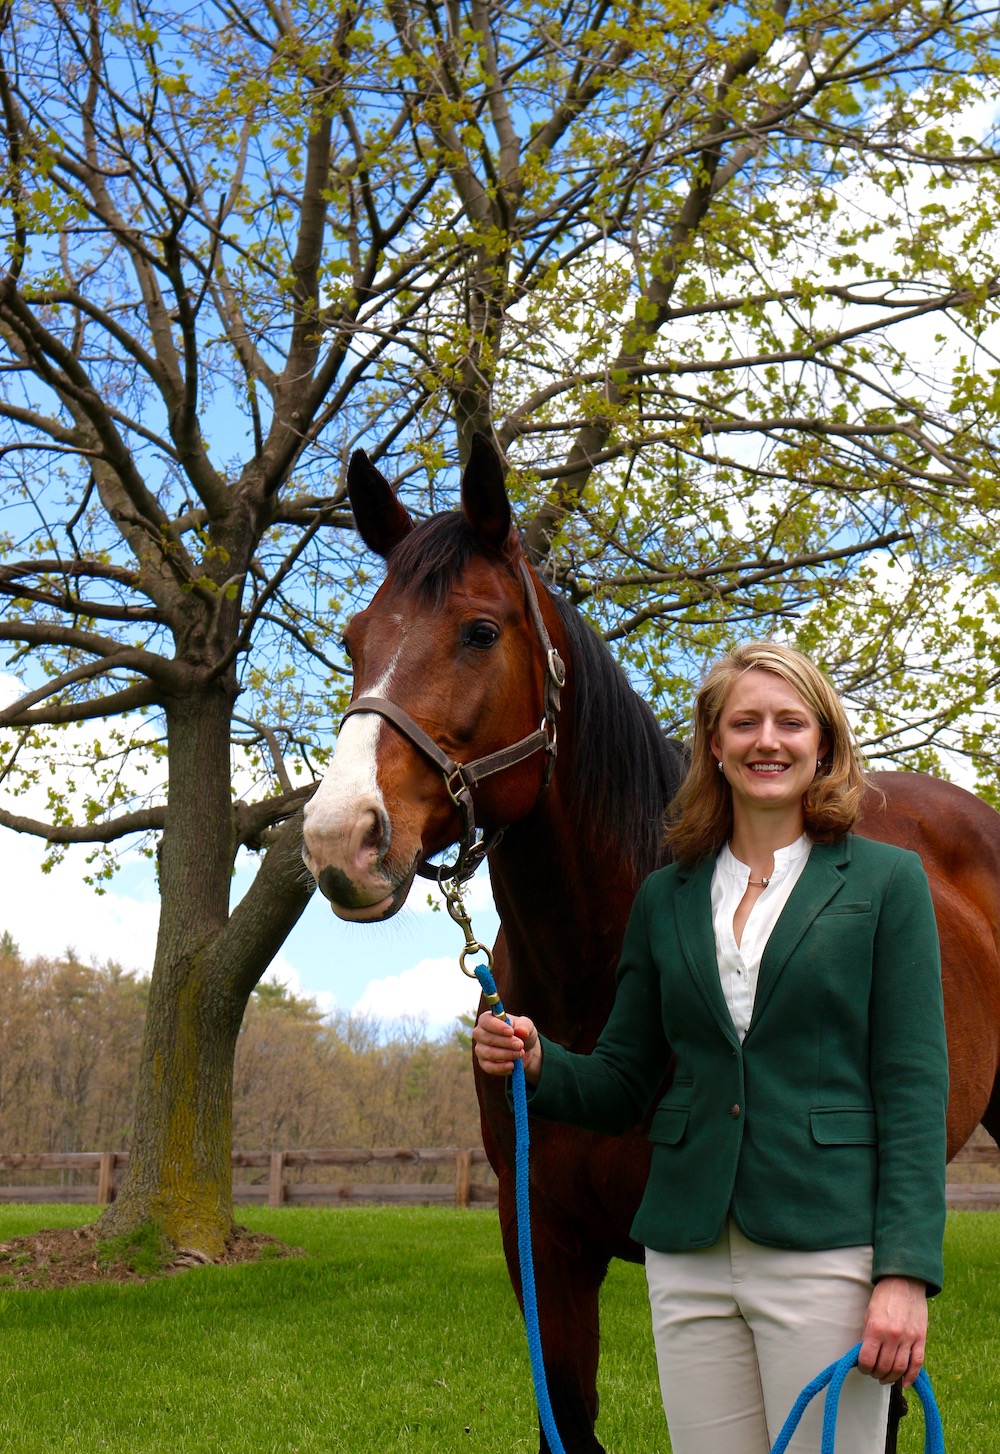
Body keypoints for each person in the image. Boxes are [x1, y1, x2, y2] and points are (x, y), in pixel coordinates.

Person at [473, 641, 948, 1454]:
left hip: (824, 1248)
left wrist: (903, 1272)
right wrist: (540, 1060)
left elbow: (911, 1090)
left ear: (823, 742)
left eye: (791, 722)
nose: (769, 740)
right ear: (715, 744)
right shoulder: (668, 895)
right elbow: (625, 1079)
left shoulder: (886, 884)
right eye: (745, 723)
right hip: (688, 1258)